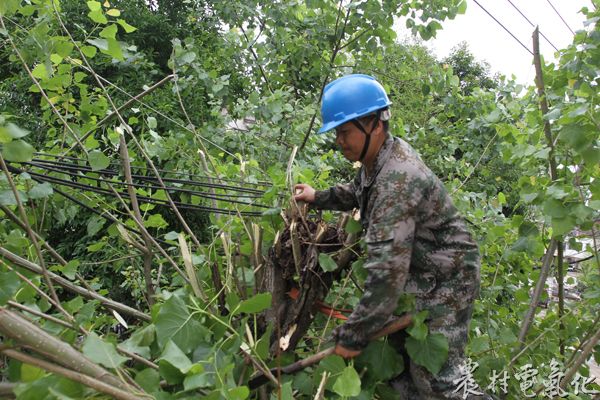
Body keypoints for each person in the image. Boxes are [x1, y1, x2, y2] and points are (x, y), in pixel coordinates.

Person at [294, 74, 490, 399]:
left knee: (439, 382)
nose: (339, 141)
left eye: (345, 131)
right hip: (422, 275)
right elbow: (358, 192)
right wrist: (319, 196)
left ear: (374, 123)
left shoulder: (398, 179)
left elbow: (387, 275)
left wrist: (353, 335)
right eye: (337, 133)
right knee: (402, 373)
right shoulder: (379, 160)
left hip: (449, 279)